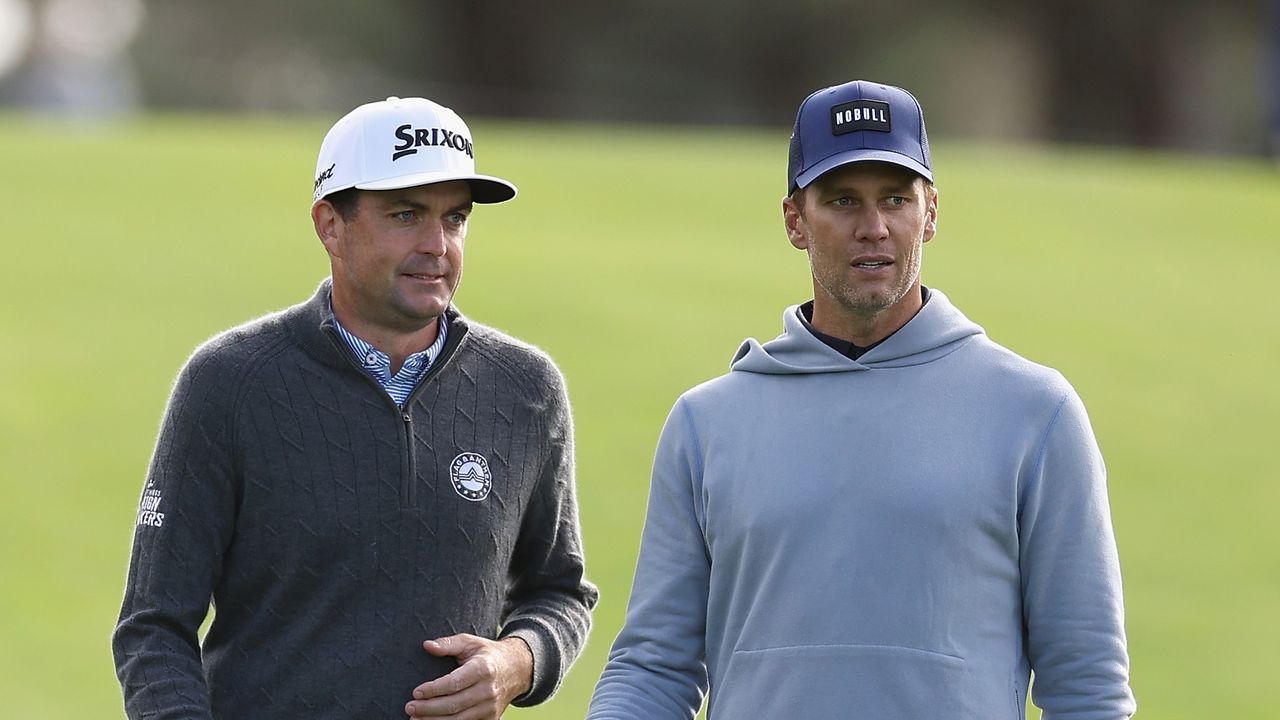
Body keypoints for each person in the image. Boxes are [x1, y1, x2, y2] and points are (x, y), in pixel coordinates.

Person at [587, 80, 1135, 719]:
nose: (873, 227)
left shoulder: (1036, 414)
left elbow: (1088, 686)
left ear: (930, 212)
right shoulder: (707, 424)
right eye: (842, 200)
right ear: (796, 219)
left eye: (895, 199)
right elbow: (653, 670)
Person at [113, 96, 598, 720]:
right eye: (405, 215)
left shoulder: (526, 389)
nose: (437, 245)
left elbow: (559, 590)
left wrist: (520, 661)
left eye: (455, 218)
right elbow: (152, 627)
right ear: (329, 225)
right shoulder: (228, 383)